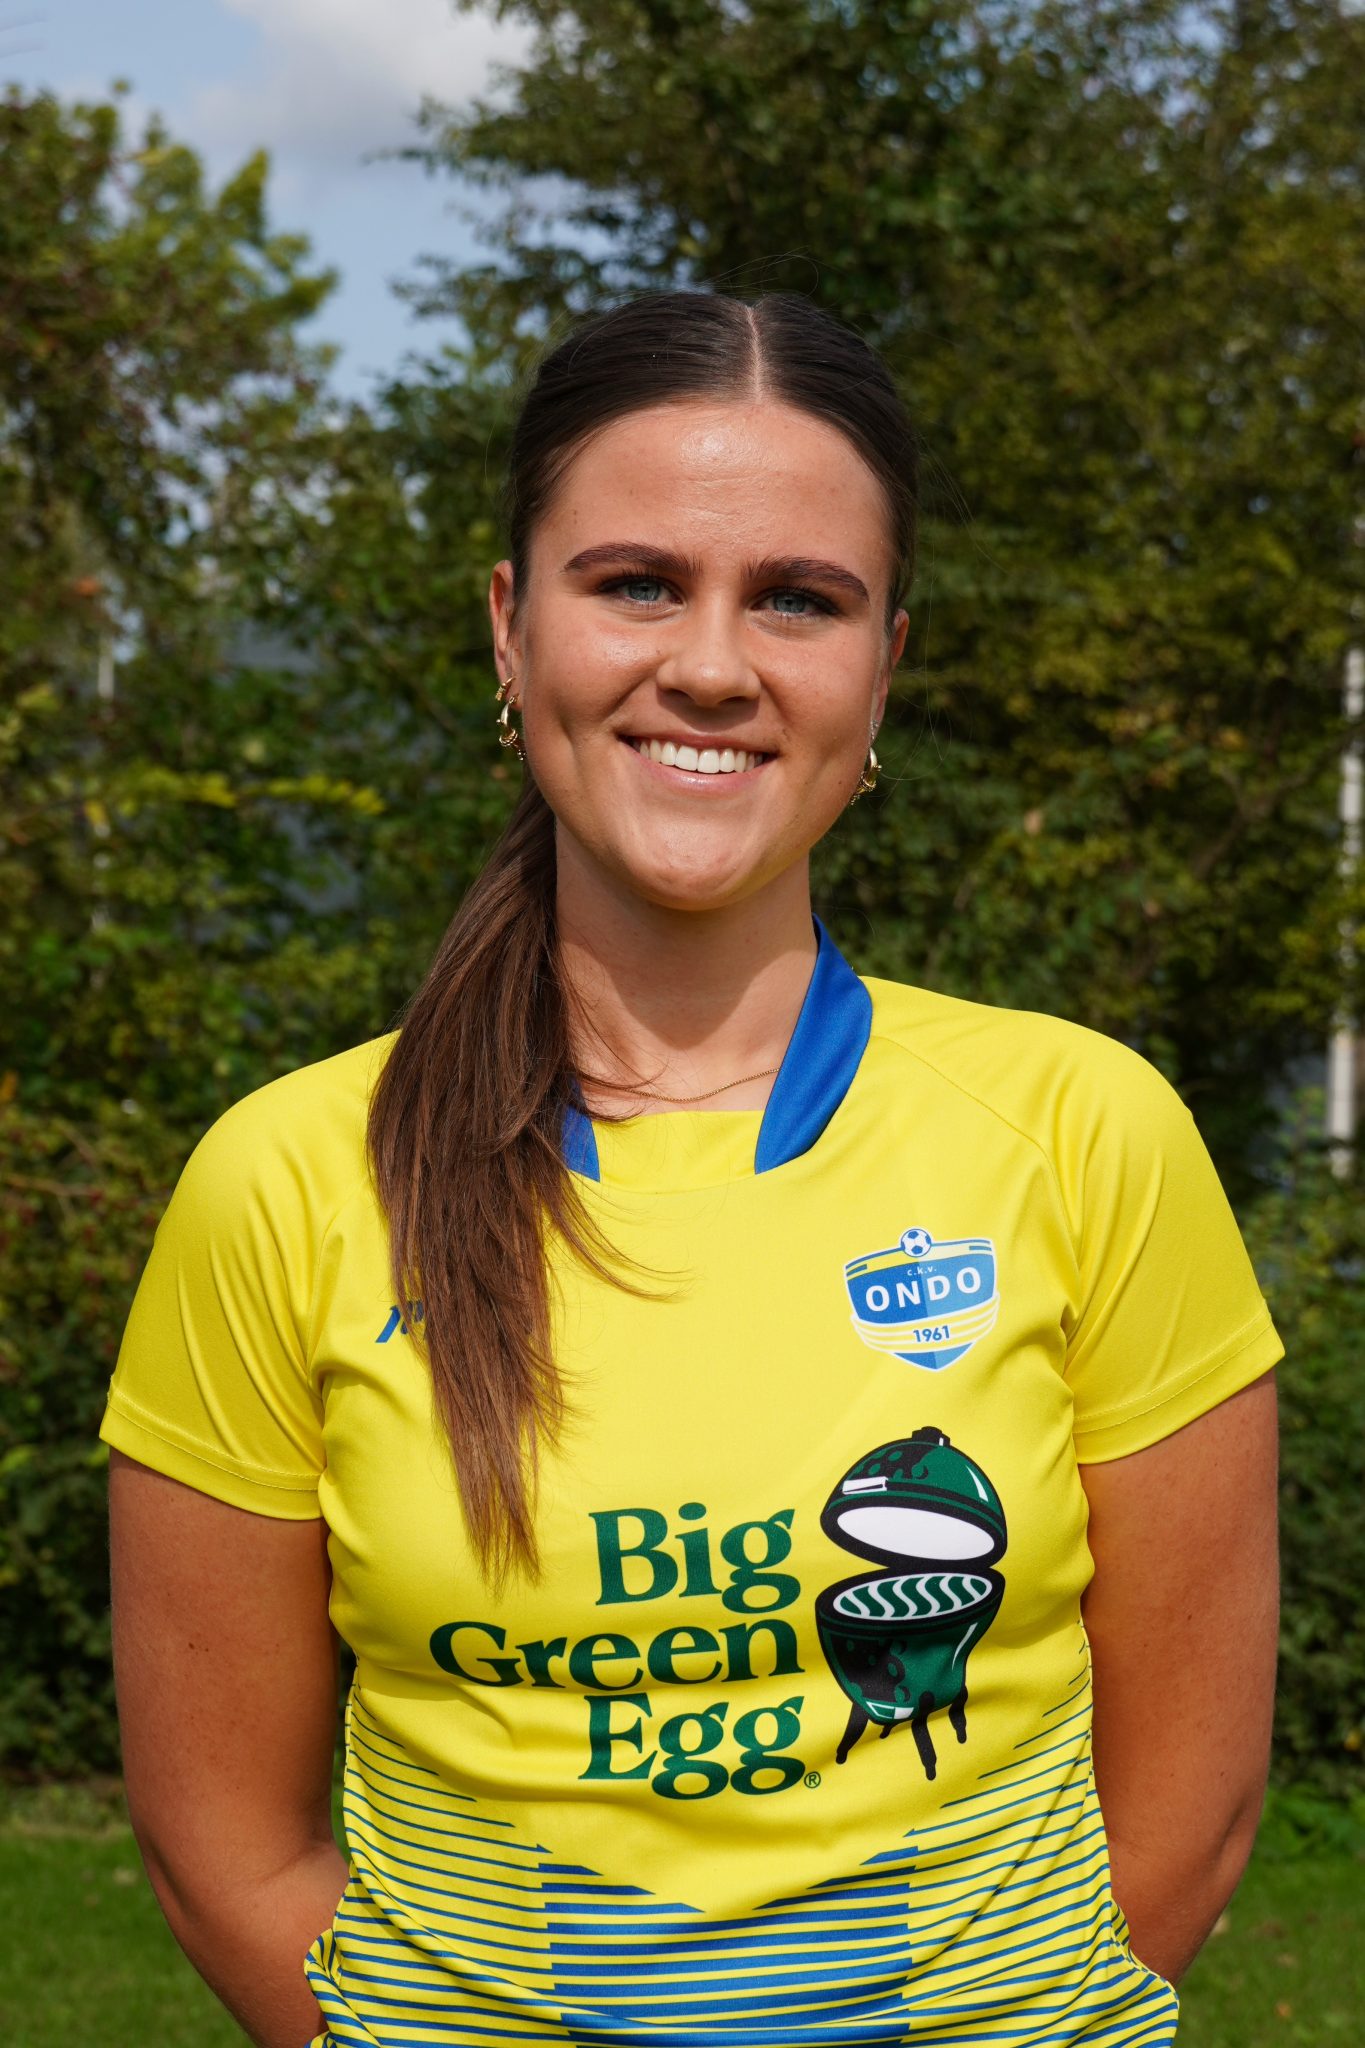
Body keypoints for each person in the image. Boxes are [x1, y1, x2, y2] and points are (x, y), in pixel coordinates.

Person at [102, 289, 1281, 2048]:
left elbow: (1187, 1816)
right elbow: (224, 1851)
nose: (714, 665)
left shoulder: (1087, 1131)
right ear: (511, 631)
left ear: (882, 666)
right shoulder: (282, 1181)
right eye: (637, 583)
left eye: (798, 598)